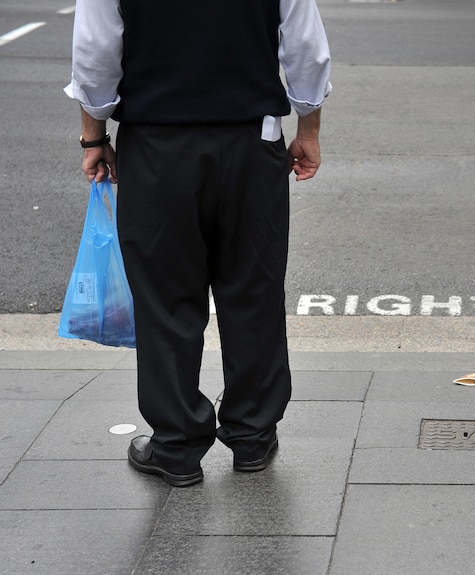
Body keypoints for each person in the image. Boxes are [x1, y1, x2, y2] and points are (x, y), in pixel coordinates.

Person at [65, 0, 331, 485]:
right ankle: (253, 433)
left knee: (165, 296)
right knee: (253, 288)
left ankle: (177, 444)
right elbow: (305, 47)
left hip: (157, 141)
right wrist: (308, 127)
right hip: (253, 139)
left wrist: (93, 134)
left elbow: (96, 51)